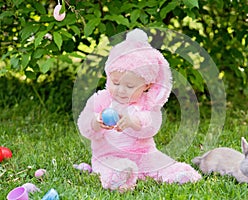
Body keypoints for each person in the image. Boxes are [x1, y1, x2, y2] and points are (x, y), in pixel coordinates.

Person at [77, 28, 201, 192]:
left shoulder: (147, 104)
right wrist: (95, 122)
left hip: (144, 155)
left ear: (147, 85)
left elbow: (152, 124)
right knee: (111, 166)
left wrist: (134, 122)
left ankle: (178, 174)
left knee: (160, 163)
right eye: (115, 82)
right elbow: (84, 124)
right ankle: (120, 178)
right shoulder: (101, 99)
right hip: (108, 155)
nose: (121, 90)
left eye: (129, 86)